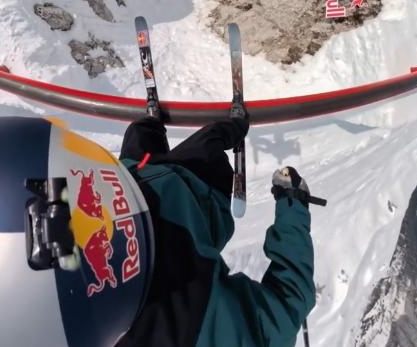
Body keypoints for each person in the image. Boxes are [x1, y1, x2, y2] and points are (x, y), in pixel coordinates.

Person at [115, 112, 317, 347]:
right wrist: (293, 203)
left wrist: (292, 200)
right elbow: (288, 302)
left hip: (130, 178)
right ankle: (156, 126)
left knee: (141, 134)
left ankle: (150, 124)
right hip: (192, 193)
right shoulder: (199, 328)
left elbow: (291, 301)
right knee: (209, 142)